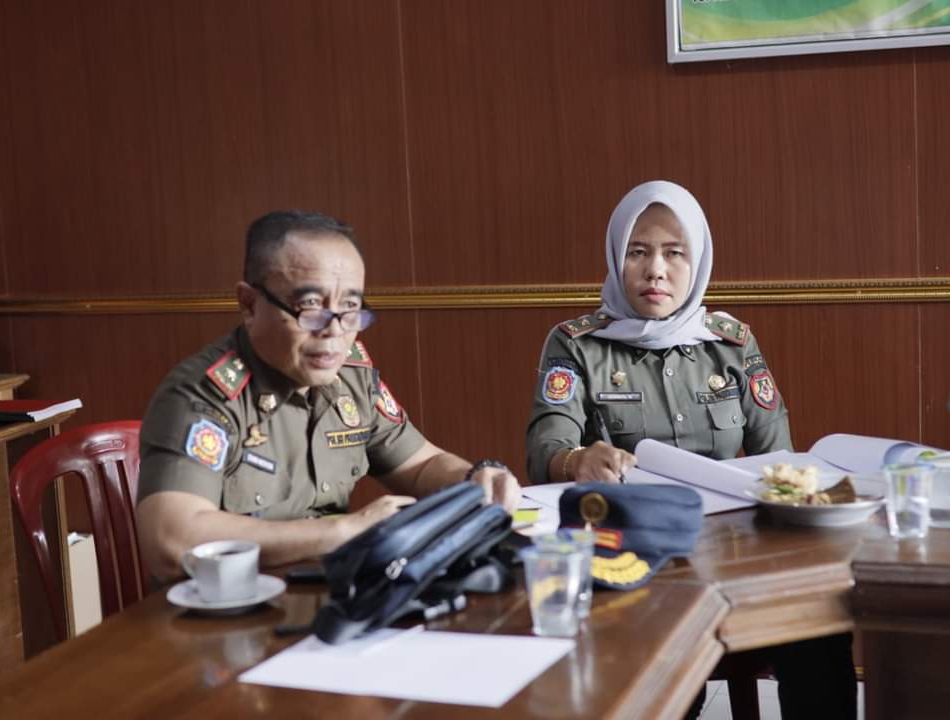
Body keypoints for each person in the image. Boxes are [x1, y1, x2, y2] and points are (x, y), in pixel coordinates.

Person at [525, 181, 856, 719]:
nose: (655, 269)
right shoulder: (576, 343)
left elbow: (782, 461)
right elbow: (546, 448)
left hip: (740, 556)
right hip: (640, 555)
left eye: (674, 253)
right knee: (664, 668)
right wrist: (578, 459)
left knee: (819, 630)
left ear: (696, 260)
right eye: (638, 251)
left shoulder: (732, 342)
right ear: (616, 257)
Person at [137, 210, 520, 581]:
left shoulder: (351, 378)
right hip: (220, 619)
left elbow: (421, 465)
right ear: (249, 304)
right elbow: (172, 540)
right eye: (311, 307)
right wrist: (344, 533)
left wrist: (476, 478)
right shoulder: (205, 396)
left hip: (323, 601)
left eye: (350, 308)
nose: (334, 332)